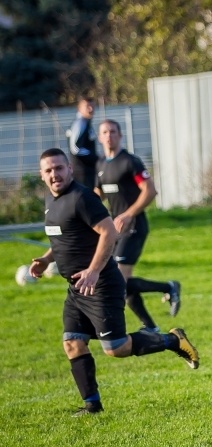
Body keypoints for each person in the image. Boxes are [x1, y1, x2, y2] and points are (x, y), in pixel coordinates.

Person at [29, 148, 200, 416]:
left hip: (101, 284)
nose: (54, 174)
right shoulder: (50, 201)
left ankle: (172, 340)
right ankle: (92, 405)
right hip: (76, 288)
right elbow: (63, 238)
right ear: (41, 175)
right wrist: (45, 259)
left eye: (59, 168)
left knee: (116, 348)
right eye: (48, 170)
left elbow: (108, 232)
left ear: (69, 169)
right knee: (73, 342)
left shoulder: (82, 198)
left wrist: (94, 270)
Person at [94, 119, 181, 332]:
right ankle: (155, 315)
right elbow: (98, 195)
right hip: (114, 231)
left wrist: (127, 214)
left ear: (120, 135)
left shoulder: (130, 162)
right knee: (120, 282)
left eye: (113, 131)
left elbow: (150, 191)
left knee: (119, 281)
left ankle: (162, 301)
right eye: (104, 132)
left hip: (134, 227)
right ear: (99, 137)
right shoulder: (101, 164)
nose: (109, 136)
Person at [66, 93, 99, 189]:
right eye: (87, 106)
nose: (91, 109)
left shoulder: (86, 123)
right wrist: (95, 157)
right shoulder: (80, 123)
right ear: (79, 108)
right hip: (81, 171)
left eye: (92, 106)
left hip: (86, 170)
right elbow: (75, 148)